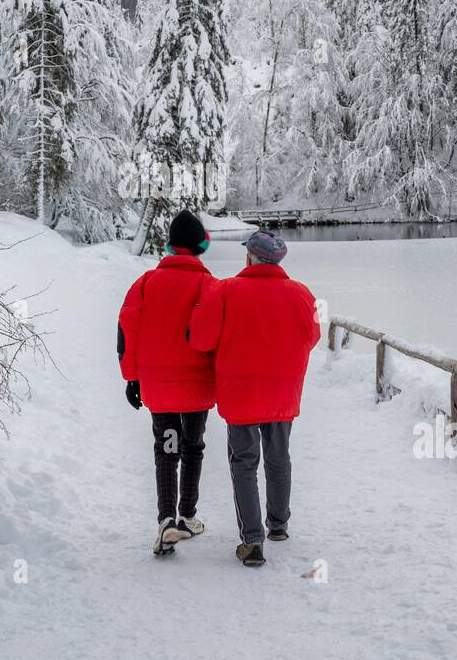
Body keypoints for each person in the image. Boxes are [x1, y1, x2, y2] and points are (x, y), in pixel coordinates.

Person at [188, 228, 320, 567]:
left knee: (244, 463)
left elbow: (201, 339)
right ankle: (278, 525)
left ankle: (252, 540)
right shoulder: (302, 294)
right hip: (282, 391)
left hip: (241, 393)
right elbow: (312, 335)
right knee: (279, 457)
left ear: (249, 256)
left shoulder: (225, 291)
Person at [117, 209, 215, 556]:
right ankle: (187, 516)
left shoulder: (146, 283)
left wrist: (132, 379)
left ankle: (166, 521)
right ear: (199, 245)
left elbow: (127, 330)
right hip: (197, 385)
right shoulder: (209, 285)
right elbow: (216, 335)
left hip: (159, 386)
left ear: (171, 245)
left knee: (167, 449)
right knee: (193, 447)